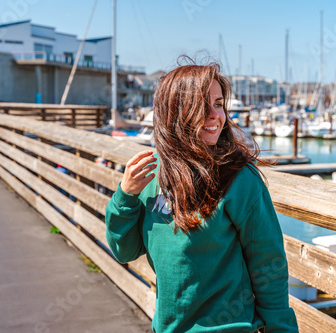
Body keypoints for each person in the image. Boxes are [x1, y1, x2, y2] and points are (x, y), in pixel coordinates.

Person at [105, 59, 298, 332]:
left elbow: (268, 265)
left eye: (219, 104)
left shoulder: (240, 179)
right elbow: (124, 250)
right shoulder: (150, 173)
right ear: (173, 111)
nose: (214, 115)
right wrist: (125, 196)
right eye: (201, 105)